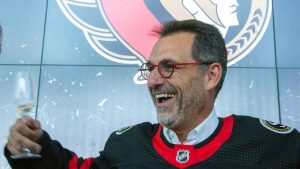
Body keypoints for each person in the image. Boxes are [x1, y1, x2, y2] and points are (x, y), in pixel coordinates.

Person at [4, 20, 300, 168]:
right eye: (151, 69)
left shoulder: (273, 145)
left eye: (169, 67)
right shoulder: (126, 145)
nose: (152, 81)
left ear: (211, 75)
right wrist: (35, 146)